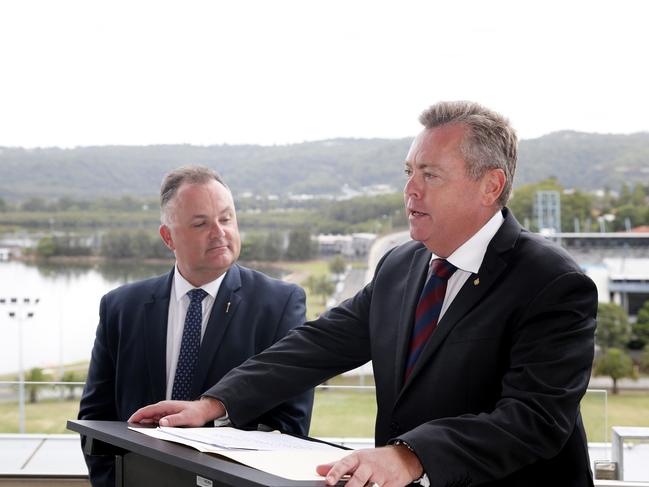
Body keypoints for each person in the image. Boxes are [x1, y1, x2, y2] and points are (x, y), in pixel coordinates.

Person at [130, 102, 598, 487]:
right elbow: (317, 344)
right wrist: (214, 404)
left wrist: (412, 455)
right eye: (408, 172)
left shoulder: (553, 283)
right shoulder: (401, 264)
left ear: (490, 185)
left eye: (430, 175)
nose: (409, 190)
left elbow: (534, 419)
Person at [79, 165, 313, 487]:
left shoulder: (279, 304)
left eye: (226, 218)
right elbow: (96, 421)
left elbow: (290, 426)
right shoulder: (121, 307)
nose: (219, 232)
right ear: (168, 237)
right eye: (201, 223)